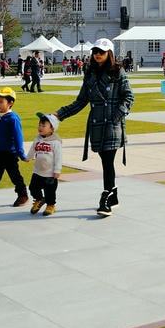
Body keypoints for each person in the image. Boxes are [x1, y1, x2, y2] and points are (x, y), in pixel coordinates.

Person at [54, 38, 134, 217]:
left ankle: (105, 198)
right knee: (105, 160)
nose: (98, 54)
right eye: (95, 51)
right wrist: (59, 114)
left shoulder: (118, 71)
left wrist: (117, 115)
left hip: (113, 123)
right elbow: (81, 101)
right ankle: (113, 195)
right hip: (97, 123)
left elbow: (128, 97)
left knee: (107, 160)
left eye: (102, 51)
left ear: (109, 53)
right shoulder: (89, 73)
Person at [26, 112, 63, 216]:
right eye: (40, 125)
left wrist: (57, 170)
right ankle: (39, 199)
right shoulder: (37, 138)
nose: (40, 127)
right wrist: (28, 157)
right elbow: (33, 149)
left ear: (52, 129)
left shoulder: (55, 142)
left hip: (50, 173)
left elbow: (59, 157)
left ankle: (50, 205)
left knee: (50, 191)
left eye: (44, 126)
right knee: (33, 187)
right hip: (38, 170)